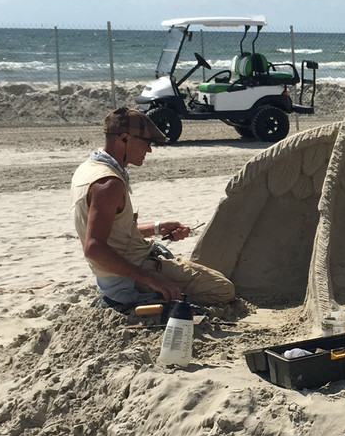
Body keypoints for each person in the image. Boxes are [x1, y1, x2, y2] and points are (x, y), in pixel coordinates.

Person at [71, 107, 234, 309]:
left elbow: (113, 233)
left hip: (120, 271)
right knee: (222, 289)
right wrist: (152, 279)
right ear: (124, 139)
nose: (149, 150)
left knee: (171, 258)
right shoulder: (109, 183)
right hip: (127, 278)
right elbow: (94, 248)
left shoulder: (89, 168)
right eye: (146, 142)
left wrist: (157, 227)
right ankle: (143, 302)